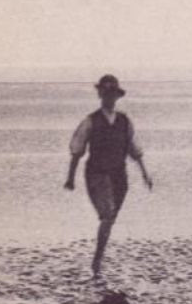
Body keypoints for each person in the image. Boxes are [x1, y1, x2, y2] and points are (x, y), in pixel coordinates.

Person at [65, 74, 153, 279]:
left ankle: (99, 257)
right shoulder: (91, 121)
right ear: (100, 95)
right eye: (105, 94)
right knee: (107, 215)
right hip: (97, 174)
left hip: (119, 176)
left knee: (111, 218)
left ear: (116, 96)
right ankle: (97, 260)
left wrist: (146, 175)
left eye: (112, 94)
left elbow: (135, 150)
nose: (109, 98)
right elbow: (77, 151)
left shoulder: (124, 121)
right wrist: (70, 178)